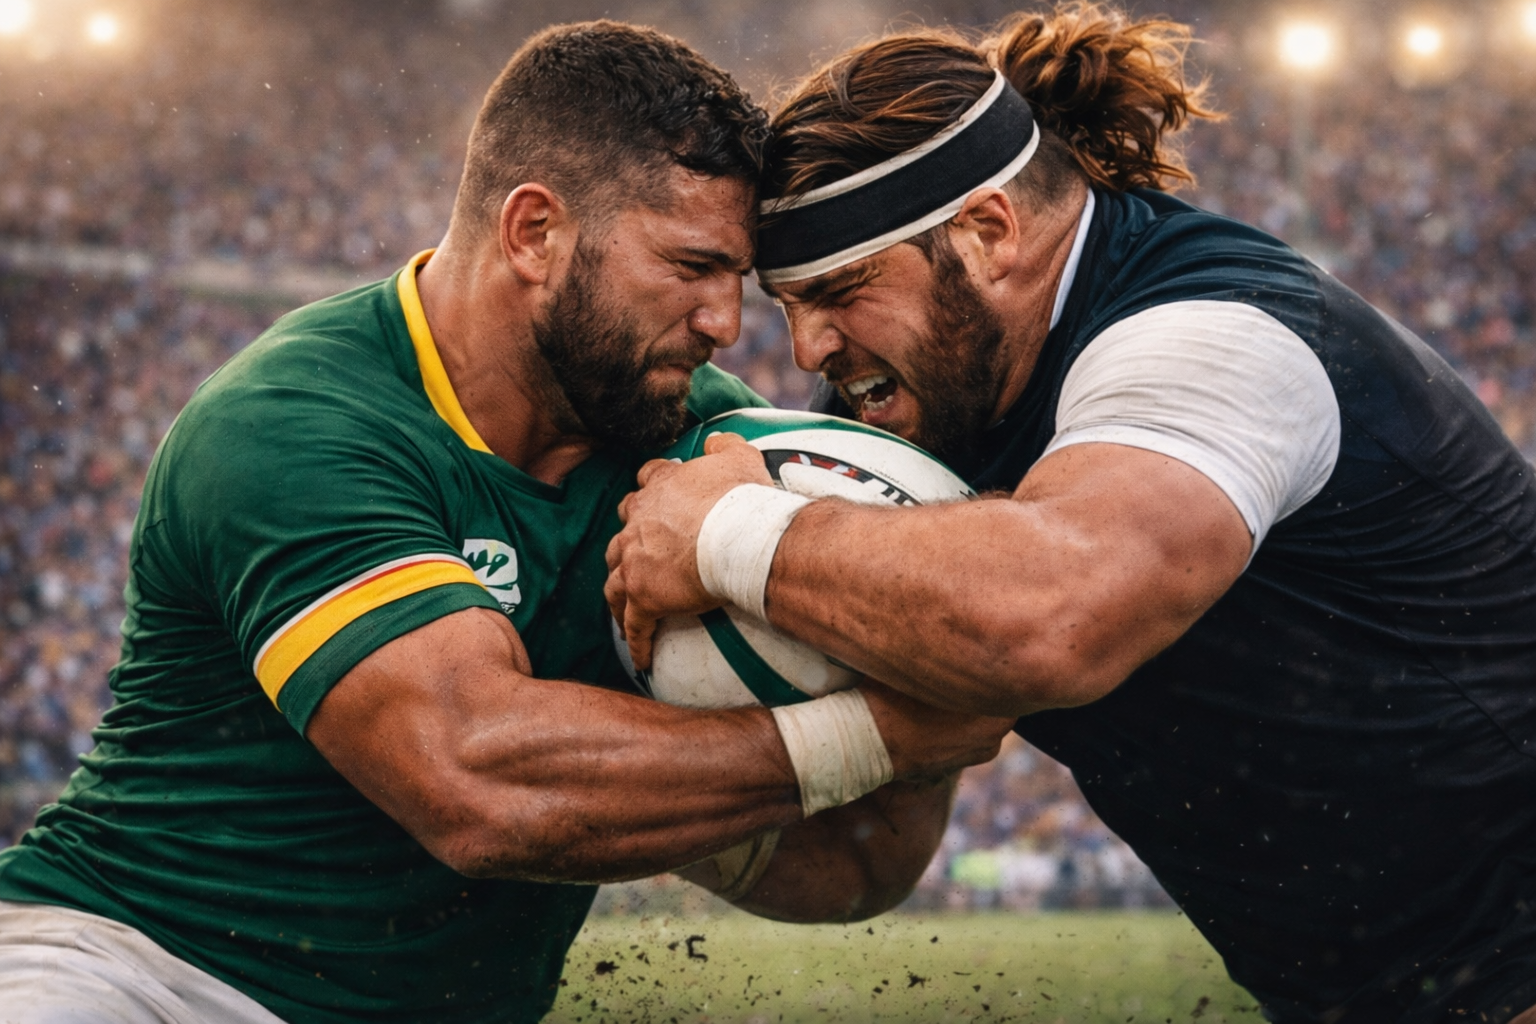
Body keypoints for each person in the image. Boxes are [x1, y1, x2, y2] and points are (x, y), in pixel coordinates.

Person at [0, 22, 1011, 1024]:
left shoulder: (705, 442)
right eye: (689, 266)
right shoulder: (295, 419)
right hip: (137, 967)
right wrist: (874, 731)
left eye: (733, 281)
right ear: (535, 232)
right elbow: (475, 778)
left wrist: (925, 700)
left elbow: (843, 869)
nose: (724, 322)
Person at [604, 6, 1536, 1022]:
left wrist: (728, 533)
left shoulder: (1213, 337)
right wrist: (611, 802)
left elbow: (1051, 616)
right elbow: (869, 860)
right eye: (790, 306)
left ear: (990, 230)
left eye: (840, 291)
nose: (808, 351)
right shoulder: (926, 401)